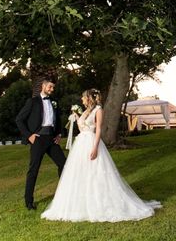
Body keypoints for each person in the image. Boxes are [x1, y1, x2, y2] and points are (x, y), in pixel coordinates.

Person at [41, 89, 161, 222]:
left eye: (83, 97)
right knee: (81, 173)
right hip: (80, 144)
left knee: (95, 172)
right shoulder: (85, 111)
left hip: (91, 142)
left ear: (88, 98)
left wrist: (95, 147)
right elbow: (82, 127)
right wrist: (76, 117)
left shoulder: (98, 110)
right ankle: (81, 203)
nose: (81, 99)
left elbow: (98, 129)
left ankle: (100, 202)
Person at [15, 79, 66, 210]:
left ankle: (63, 195)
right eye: (50, 86)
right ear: (43, 86)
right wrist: (29, 135)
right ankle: (29, 202)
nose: (52, 89)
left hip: (51, 138)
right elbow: (19, 119)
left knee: (63, 164)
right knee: (34, 170)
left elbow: (58, 119)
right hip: (38, 139)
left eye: (53, 87)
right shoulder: (33, 102)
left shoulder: (54, 102)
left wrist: (59, 134)